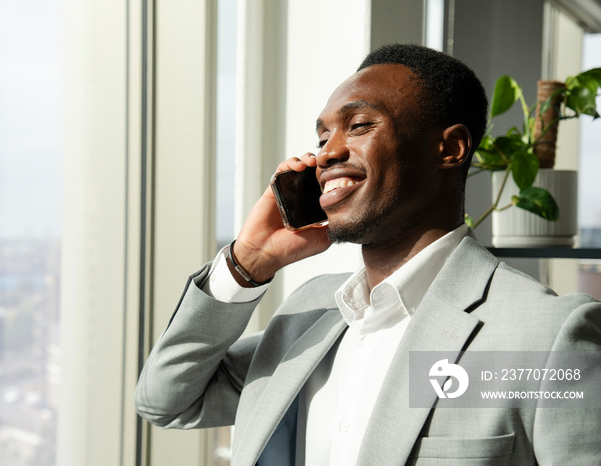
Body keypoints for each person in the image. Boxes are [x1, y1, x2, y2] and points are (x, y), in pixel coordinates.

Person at [134, 44, 601, 465]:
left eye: (359, 126)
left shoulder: (548, 335)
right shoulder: (308, 314)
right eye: (322, 138)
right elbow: (167, 400)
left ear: (450, 148)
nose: (328, 153)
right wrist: (248, 262)